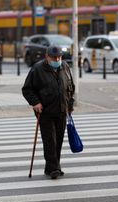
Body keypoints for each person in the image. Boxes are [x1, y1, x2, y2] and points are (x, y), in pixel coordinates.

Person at [22, 45, 75, 179]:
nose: (57, 59)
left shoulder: (65, 67)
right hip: (45, 111)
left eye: (59, 57)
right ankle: (54, 168)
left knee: (58, 140)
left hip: (62, 110)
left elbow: (70, 88)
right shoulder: (38, 69)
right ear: (47, 57)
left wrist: (70, 105)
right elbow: (27, 89)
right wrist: (35, 103)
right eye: (54, 57)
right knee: (49, 140)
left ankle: (51, 166)